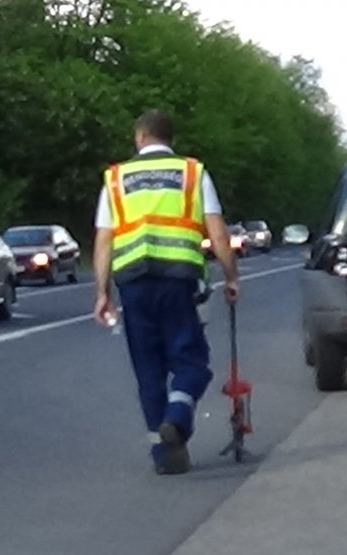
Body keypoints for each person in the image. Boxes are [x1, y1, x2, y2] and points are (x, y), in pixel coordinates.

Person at [91, 109, 241, 475]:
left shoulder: (115, 178)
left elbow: (104, 240)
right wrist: (231, 276)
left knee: (149, 371)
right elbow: (218, 232)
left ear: (139, 137)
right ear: (169, 138)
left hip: (132, 282)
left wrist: (102, 292)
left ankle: (165, 456)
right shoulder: (192, 173)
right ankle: (177, 416)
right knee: (190, 361)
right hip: (178, 279)